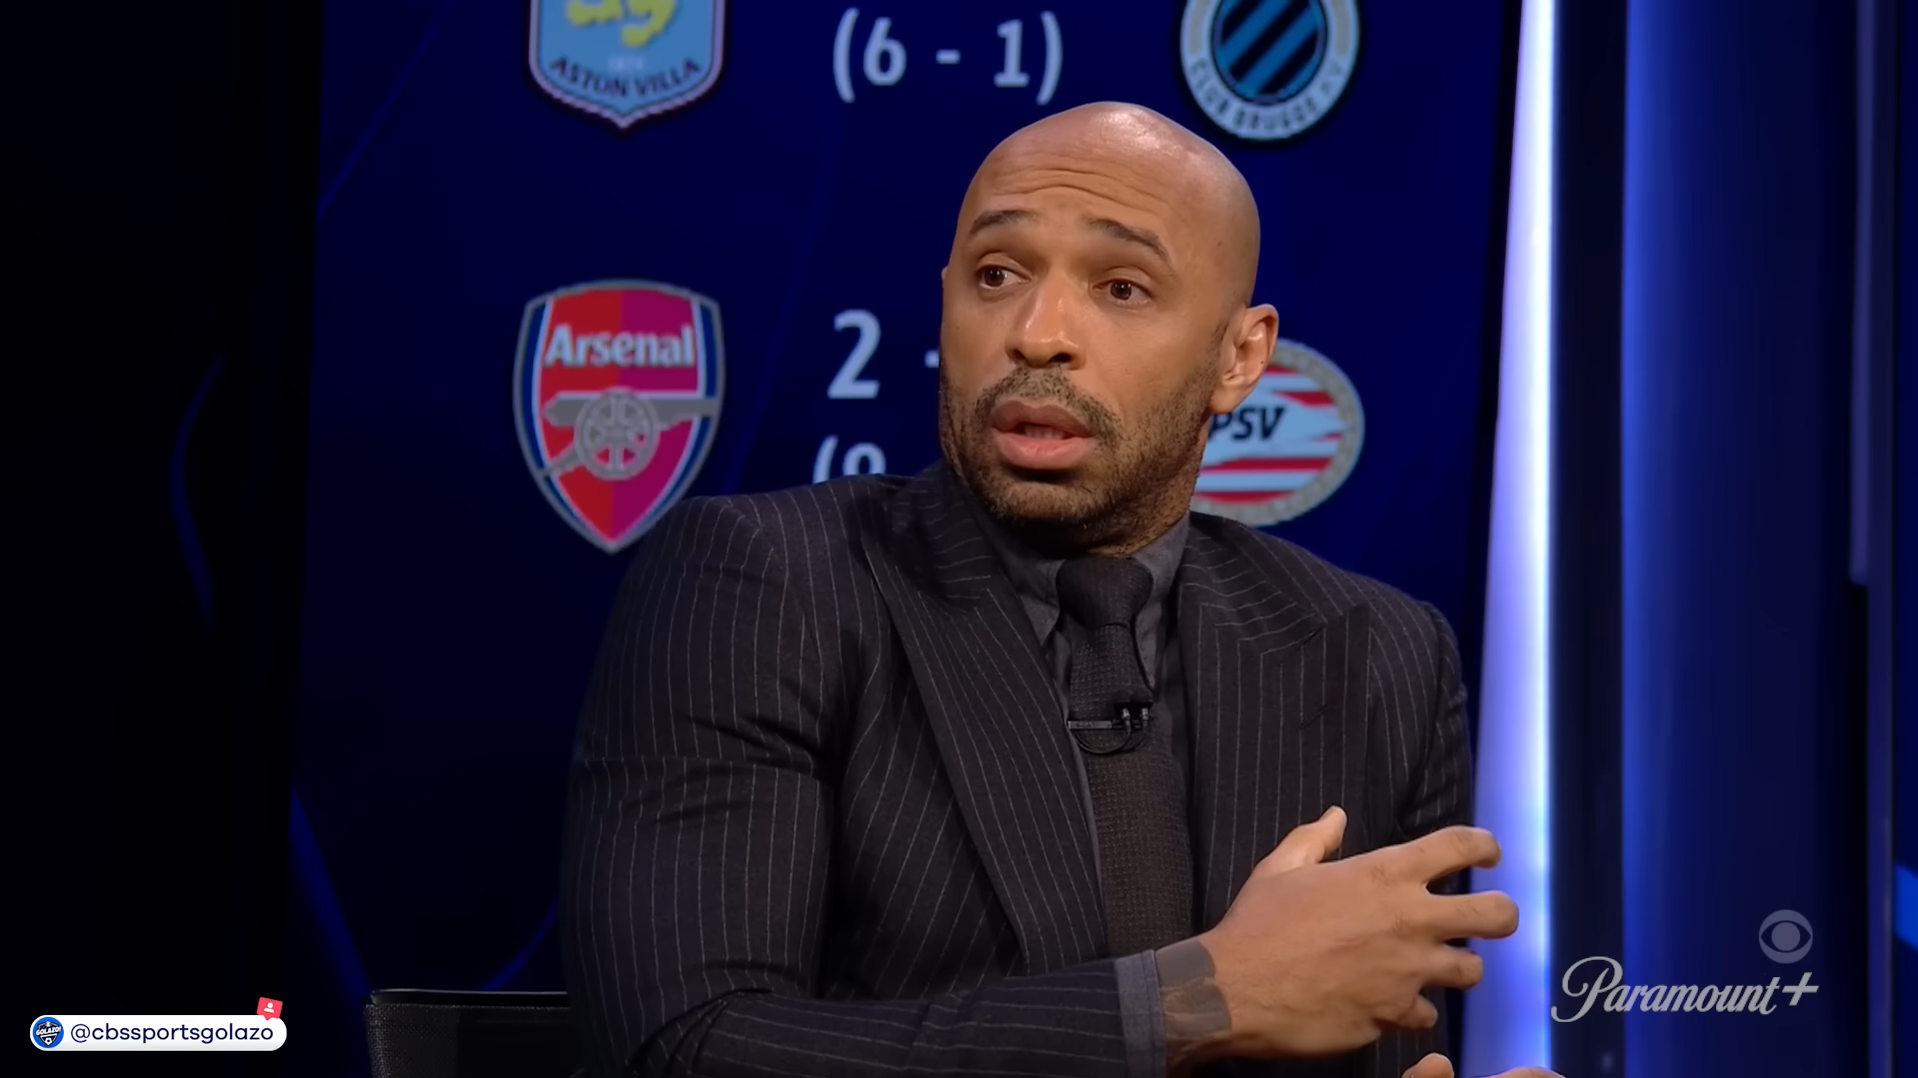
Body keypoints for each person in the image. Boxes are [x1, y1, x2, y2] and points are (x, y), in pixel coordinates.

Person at [560, 102, 1556, 1078]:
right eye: (996, 274)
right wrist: (1193, 999)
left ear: (1238, 357)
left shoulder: (1382, 656)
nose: (1037, 333)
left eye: (1122, 287)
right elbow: (684, 1047)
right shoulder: (767, 584)